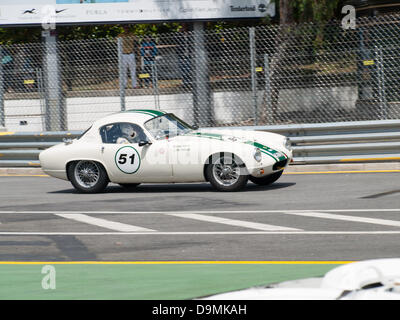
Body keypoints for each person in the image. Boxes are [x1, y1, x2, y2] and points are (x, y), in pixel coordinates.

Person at [118, 25, 138, 89]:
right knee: (123, 71)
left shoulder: (132, 35)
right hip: (123, 54)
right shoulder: (120, 35)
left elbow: (136, 40)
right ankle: (124, 85)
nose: (126, 29)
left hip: (131, 54)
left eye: (127, 28)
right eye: (124, 27)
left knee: (133, 70)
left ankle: (134, 85)